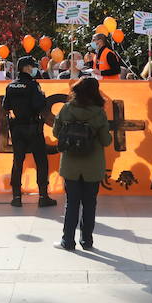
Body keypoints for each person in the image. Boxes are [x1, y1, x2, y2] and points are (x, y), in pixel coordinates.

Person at [53, 76, 112, 250]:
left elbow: (56, 132)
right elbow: (106, 140)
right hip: (93, 165)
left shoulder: (66, 109)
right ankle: (87, 241)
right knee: (89, 204)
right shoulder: (99, 113)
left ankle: (68, 241)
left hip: (70, 164)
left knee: (71, 203)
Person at [4, 56, 56, 207]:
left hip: (17, 128)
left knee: (17, 162)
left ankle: (16, 197)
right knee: (41, 161)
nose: (34, 69)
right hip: (32, 127)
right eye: (32, 66)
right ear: (26, 68)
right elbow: (39, 105)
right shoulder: (33, 85)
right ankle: (43, 196)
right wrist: (43, 97)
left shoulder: (11, 86)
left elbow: (6, 106)